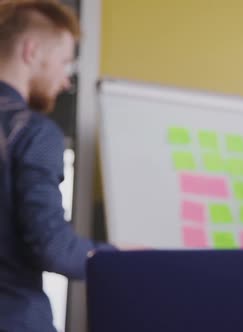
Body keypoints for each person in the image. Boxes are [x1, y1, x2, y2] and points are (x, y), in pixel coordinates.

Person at [0, 1, 115, 331]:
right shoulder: (33, 132)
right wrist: (116, 257)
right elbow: (53, 248)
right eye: (65, 62)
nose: (66, 81)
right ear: (31, 51)